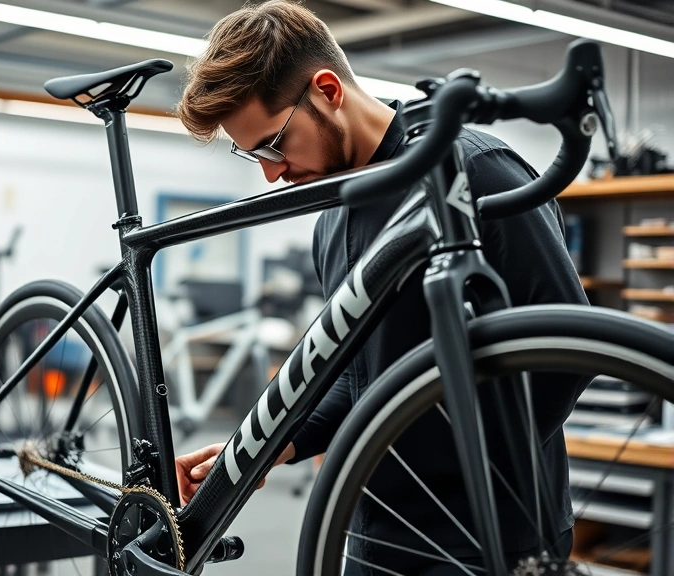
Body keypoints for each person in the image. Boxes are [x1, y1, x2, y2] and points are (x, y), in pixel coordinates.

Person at [173, 1, 589, 574]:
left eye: (274, 144)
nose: (270, 174)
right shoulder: (332, 219)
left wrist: (442, 459)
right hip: (374, 536)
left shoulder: (475, 171)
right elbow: (355, 377)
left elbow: (568, 350)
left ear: (327, 90)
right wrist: (277, 445)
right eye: (252, 155)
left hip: (495, 535)